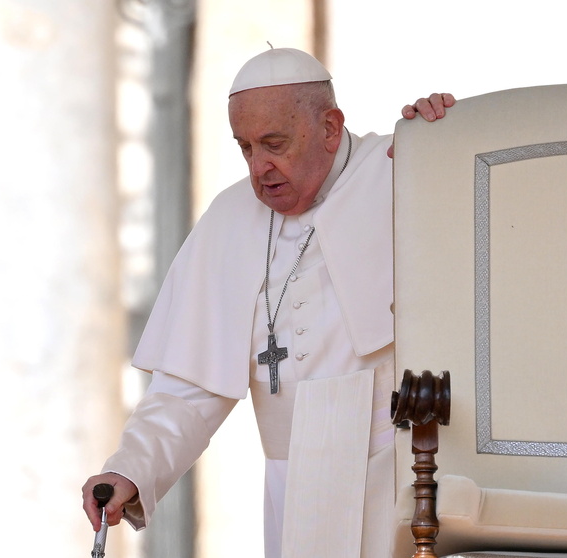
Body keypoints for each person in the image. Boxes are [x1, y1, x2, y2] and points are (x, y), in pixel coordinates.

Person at [82, 46, 454, 558]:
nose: (260, 168)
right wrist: (131, 467)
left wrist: (457, 136)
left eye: (274, 144)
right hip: (291, 482)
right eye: (246, 148)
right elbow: (189, 386)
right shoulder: (230, 218)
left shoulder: (403, 167)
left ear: (329, 127)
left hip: (400, 479)